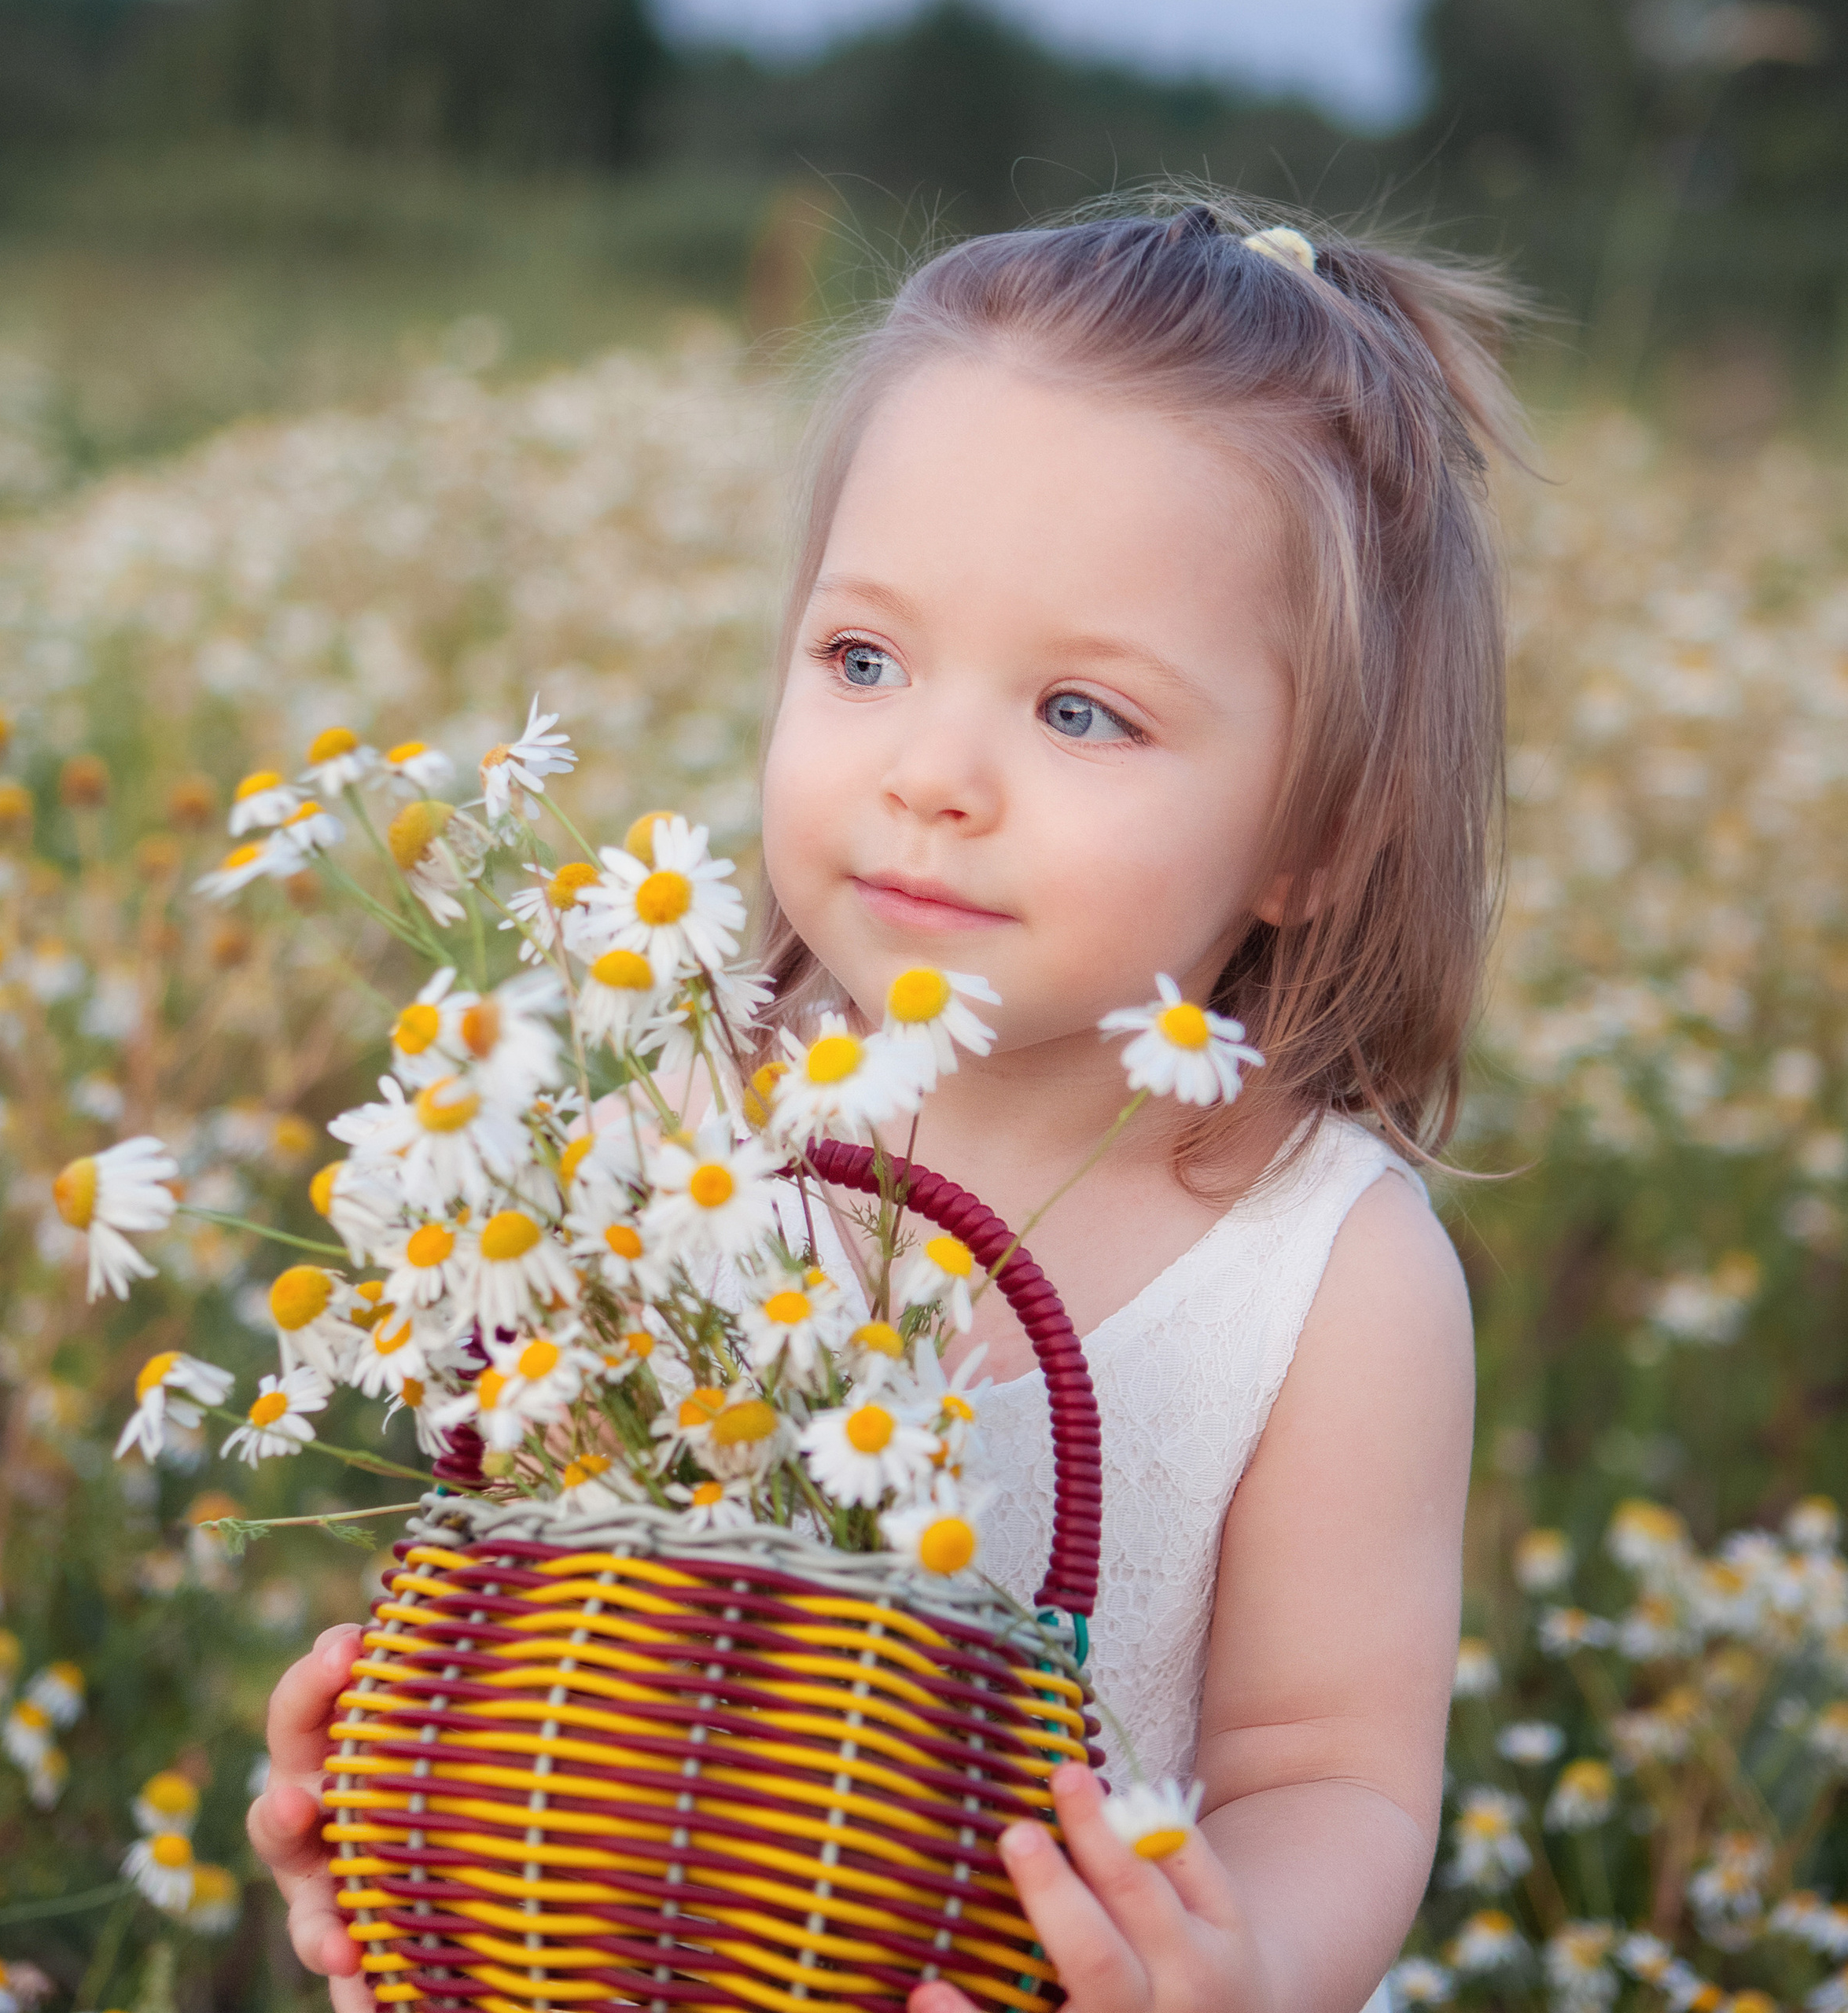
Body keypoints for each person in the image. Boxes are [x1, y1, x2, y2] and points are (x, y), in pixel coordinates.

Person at [249, 194, 1518, 2013]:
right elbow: (542, 1599)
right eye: (862, 660)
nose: (930, 773)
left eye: (1077, 712)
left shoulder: (1329, 1273)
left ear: (1317, 831)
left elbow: (1324, 1772)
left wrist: (1230, 1971)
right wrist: (402, 1806)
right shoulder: (667, 1116)